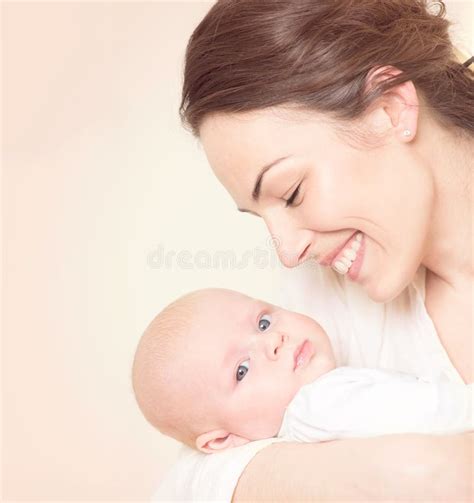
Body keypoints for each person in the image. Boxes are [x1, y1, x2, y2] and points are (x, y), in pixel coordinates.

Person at [156, 0, 474, 500]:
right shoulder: (327, 293)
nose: (288, 252)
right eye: (261, 218)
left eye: (291, 194)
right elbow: (192, 480)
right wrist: (420, 469)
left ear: (391, 112)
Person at [133, 288, 472, 453]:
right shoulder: (320, 406)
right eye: (241, 370)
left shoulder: (307, 431)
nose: (274, 341)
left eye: (263, 322)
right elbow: (434, 412)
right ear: (223, 439)